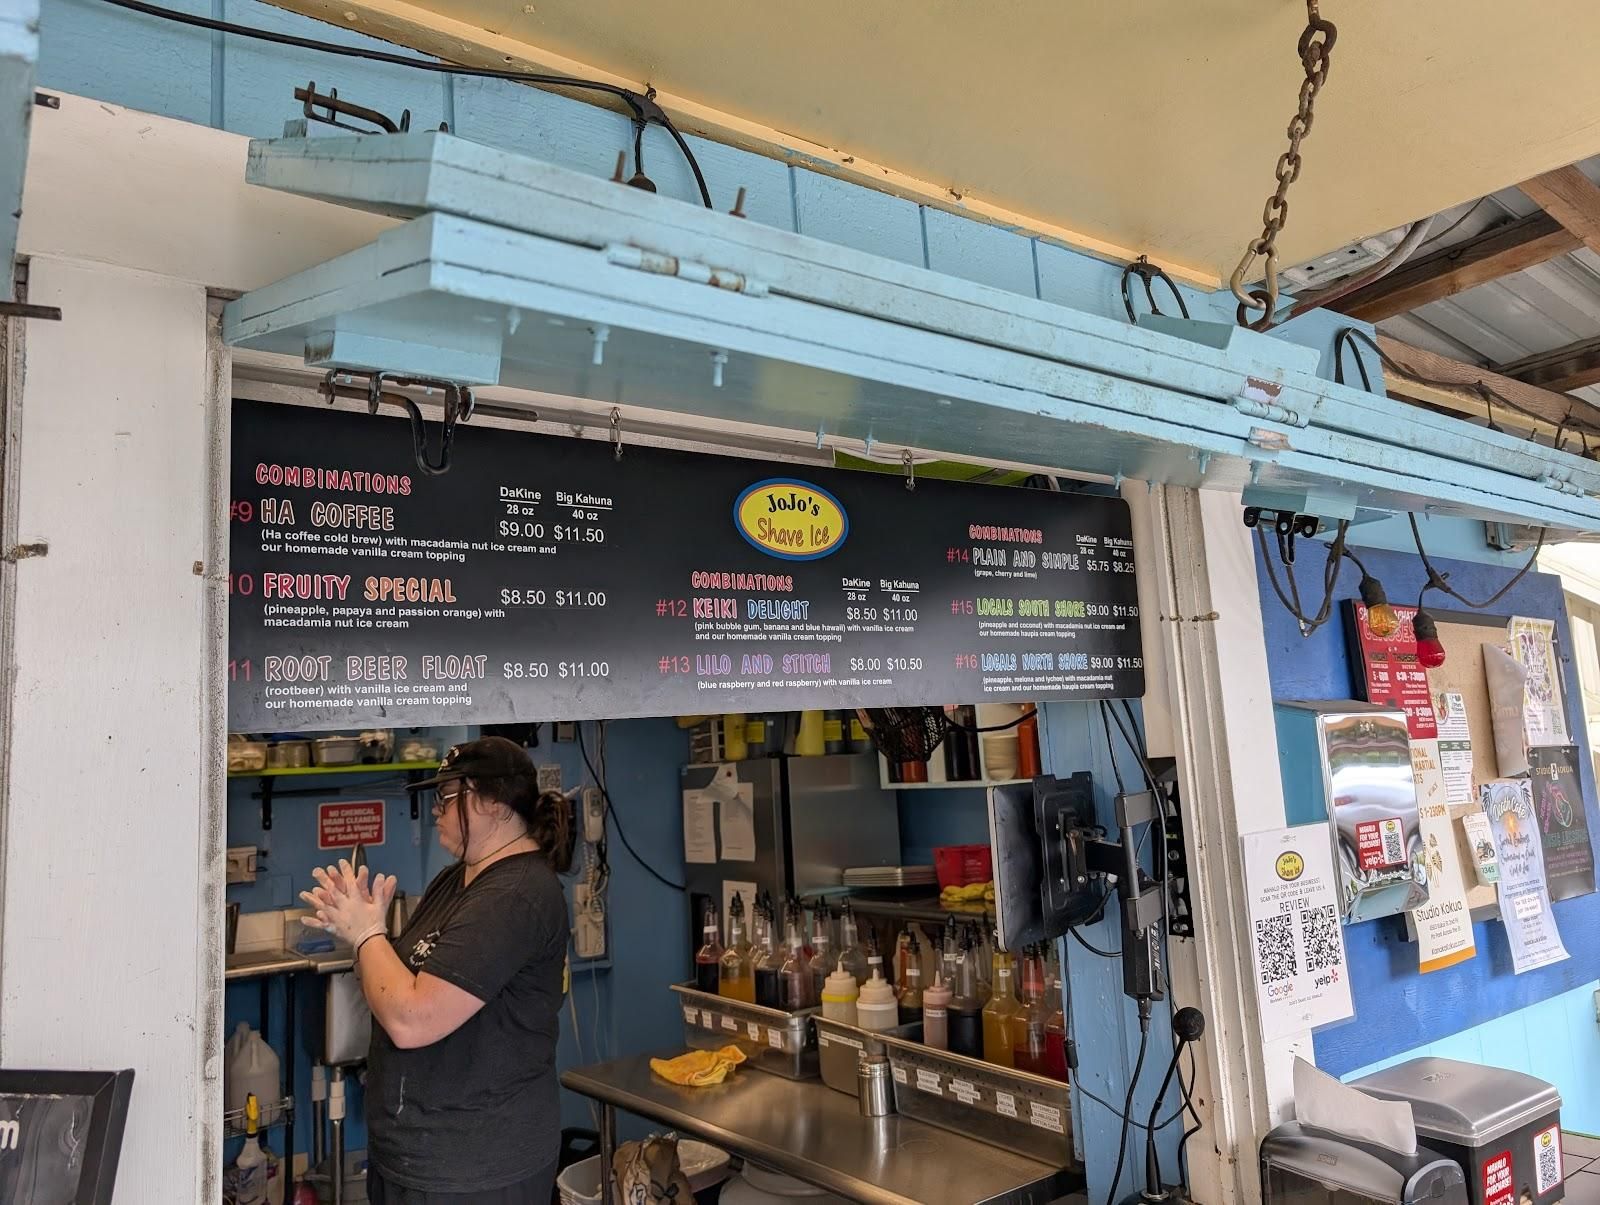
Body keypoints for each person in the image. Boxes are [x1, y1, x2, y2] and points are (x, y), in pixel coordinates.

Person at [302, 736, 572, 1203]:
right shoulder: (458, 878)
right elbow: (399, 986)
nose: (436, 810)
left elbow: (412, 1019)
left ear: (491, 803)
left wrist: (369, 934)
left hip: (476, 1169)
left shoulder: (516, 896)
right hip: (413, 1158)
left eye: (447, 796)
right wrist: (365, 934)